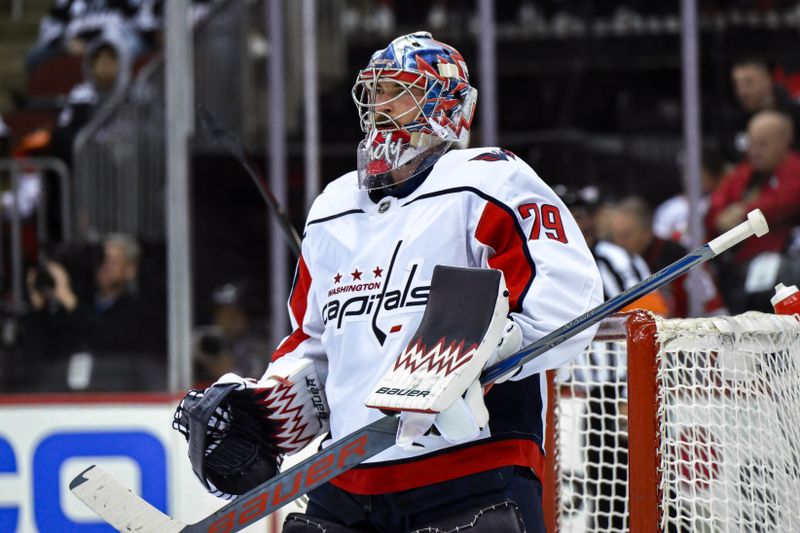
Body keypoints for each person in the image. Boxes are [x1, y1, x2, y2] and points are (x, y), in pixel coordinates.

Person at [173, 32, 603, 533]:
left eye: (399, 90)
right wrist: (272, 410)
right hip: (345, 482)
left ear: (447, 105)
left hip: (470, 474)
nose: (379, 105)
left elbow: (565, 295)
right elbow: (315, 343)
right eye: (373, 92)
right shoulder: (333, 207)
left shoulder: (488, 181)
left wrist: (484, 360)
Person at [705, 110, 800, 312]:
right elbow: (715, 211)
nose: (755, 151)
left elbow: (785, 201)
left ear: (784, 141)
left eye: (763, 144)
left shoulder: (794, 169)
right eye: (752, 143)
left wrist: (743, 210)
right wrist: (725, 216)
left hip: (783, 264)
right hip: (737, 266)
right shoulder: (743, 172)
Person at [610, 196, 725, 318]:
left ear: (646, 231)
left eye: (626, 235)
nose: (619, 242)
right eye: (615, 236)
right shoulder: (616, 261)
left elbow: (710, 304)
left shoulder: (679, 257)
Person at [717, 55, 800, 164]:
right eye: (737, 85)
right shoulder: (732, 122)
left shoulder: (795, 115)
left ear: (767, 80)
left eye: (749, 83)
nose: (742, 92)